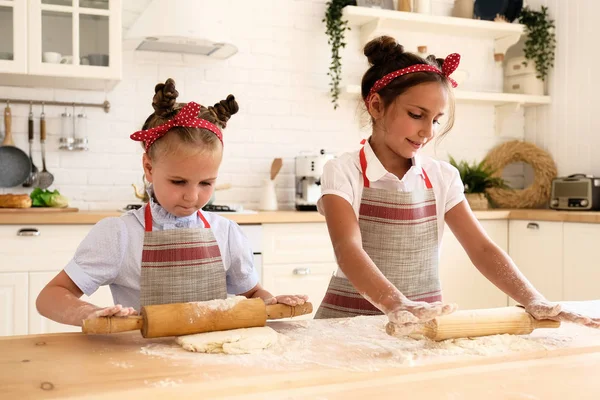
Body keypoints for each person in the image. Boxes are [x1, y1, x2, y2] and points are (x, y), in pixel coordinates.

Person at [314, 36, 599, 332]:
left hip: (422, 326)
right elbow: (347, 249)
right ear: (375, 106)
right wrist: (396, 303)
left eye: (436, 120)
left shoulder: (442, 177)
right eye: (416, 115)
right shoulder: (343, 171)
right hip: (346, 325)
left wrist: (532, 299)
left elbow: (482, 250)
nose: (427, 131)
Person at [37, 78, 307, 326]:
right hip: (144, 362)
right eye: (178, 182)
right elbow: (50, 296)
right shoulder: (120, 236)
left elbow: (252, 294)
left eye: (206, 183)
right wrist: (89, 314)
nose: (192, 196)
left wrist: (270, 302)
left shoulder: (226, 233)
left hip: (215, 360)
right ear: (149, 168)